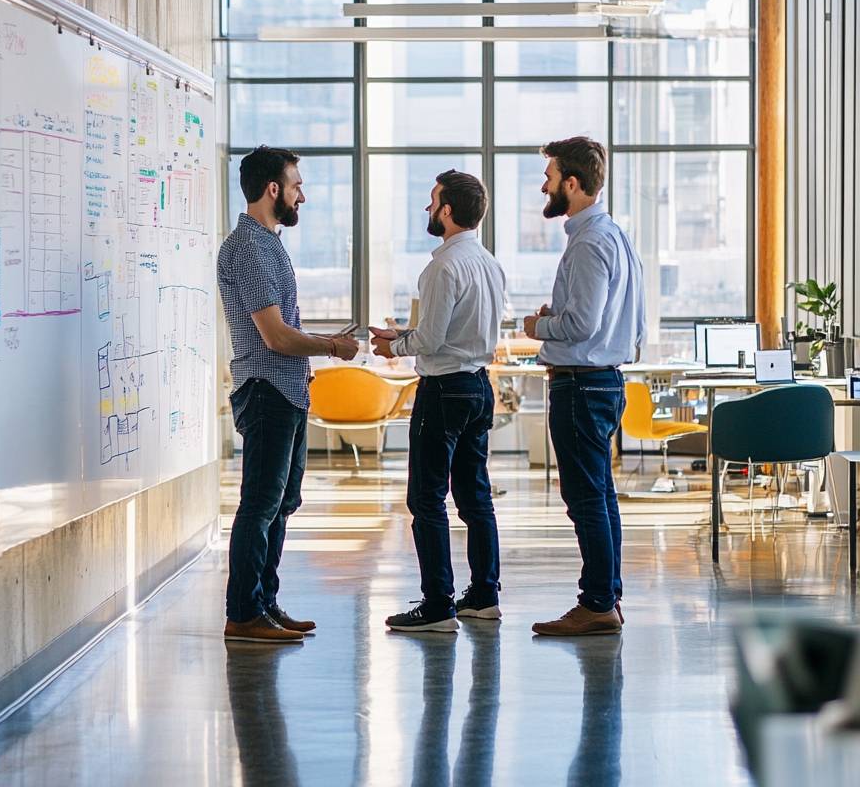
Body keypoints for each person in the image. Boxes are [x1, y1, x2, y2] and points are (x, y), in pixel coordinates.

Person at [218, 146, 359, 643]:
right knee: (259, 505)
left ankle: (265, 604)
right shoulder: (248, 248)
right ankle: (244, 613)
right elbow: (276, 337)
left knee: (280, 504)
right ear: (273, 190)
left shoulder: (270, 244)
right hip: (267, 392)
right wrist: (333, 346)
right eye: (297, 185)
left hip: (289, 391)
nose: (304, 195)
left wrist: (314, 357)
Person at [371, 170, 506, 633]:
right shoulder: (489, 263)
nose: (428, 210)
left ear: (447, 211)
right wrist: (405, 337)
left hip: (444, 390)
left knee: (426, 498)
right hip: (478, 387)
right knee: (475, 497)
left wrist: (393, 346)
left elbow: (431, 339)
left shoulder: (442, 267)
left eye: (432, 202)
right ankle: (484, 595)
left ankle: (437, 605)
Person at [523, 137, 645, 637]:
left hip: (582, 386)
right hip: (602, 382)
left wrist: (540, 328)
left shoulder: (591, 241)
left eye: (549, 177)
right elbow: (625, 324)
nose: (544, 185)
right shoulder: (609, 233)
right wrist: (564, 320)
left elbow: (585, 324)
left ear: (572, 184)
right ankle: (606, 597)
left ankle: (596, 602)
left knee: (586, 499)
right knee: (599, 496)